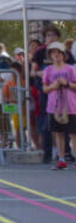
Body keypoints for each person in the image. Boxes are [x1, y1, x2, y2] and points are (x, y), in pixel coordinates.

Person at [41, 41, 76, 169]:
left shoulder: (71, 69)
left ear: (63, 54)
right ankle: (61, 159)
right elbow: (44, 89)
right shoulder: (48, 70)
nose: (56, 55)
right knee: (58, 133)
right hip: (54, 106)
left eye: (58, 52)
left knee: (73, 134)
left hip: (71, 106)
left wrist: (67, 84)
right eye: (53, 53)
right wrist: (53, 86)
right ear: (50, 55)